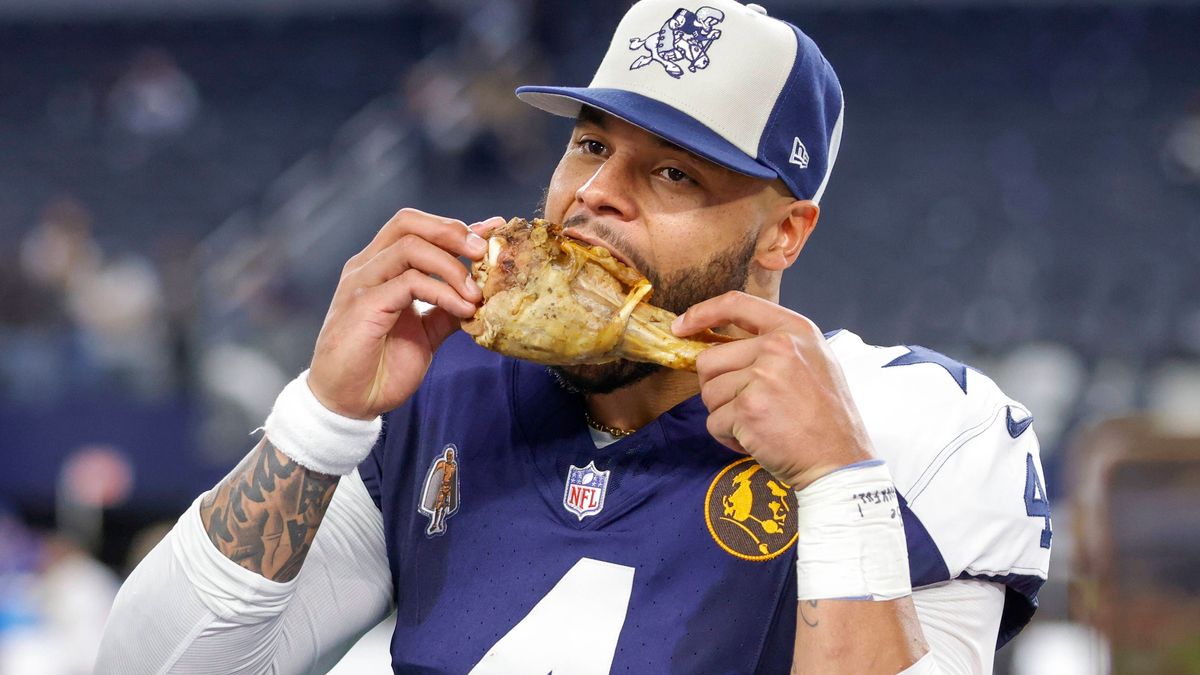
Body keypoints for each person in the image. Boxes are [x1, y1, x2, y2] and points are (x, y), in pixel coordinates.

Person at [96, 1, 1052, 672]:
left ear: (785, 233)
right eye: (591, 145)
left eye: (674, 174)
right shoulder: (440, 388)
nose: (595, 194)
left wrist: (841, 485)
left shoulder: (919, 424)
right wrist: (322, 416)